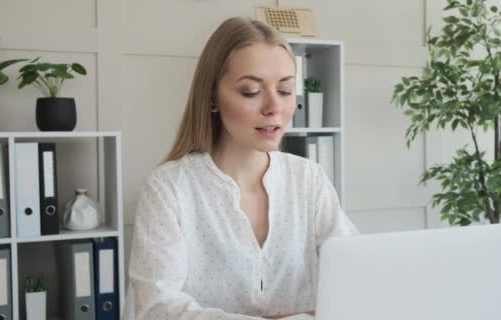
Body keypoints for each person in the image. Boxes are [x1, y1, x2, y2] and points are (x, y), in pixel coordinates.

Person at [128, 16, 358, 320]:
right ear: (212, 96)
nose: (273, 107)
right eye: (251, 91)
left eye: (286, 91)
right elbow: (158, 308)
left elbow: (356, 271)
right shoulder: (169, 187)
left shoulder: (308, 179)